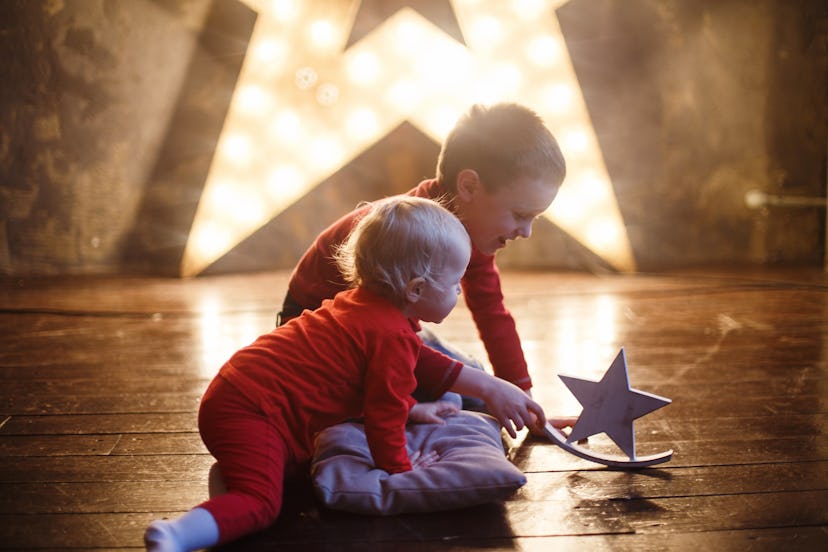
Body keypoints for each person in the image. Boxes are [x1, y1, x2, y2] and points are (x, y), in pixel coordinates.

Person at [144, 196, 549, 552]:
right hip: (251, 410)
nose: (460, 292)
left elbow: (415, 366)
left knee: (290, 473)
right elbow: (382, 413)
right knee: (263, 505)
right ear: (417, 290)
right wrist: (401, 469)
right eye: (456, 283)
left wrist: (433, 403)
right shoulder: (389, 334)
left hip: (238, 396)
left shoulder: (368, 307)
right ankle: (177, 535)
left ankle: (229, 491)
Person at [278, 102, 567, 417]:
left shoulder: (469, 227)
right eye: (520, 215)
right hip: (320, 334)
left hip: (382, 324)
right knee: (455, 399)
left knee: (479, 385)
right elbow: (380, 335)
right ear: (469, 186)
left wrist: (523, 399)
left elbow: (491, 309)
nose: (525, 232)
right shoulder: (408, 235)